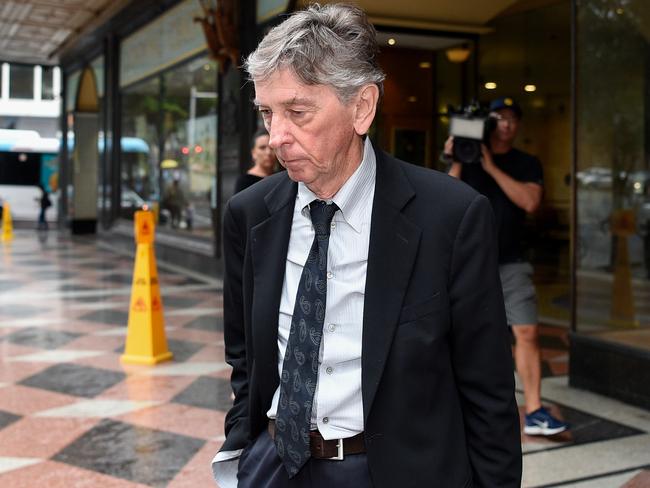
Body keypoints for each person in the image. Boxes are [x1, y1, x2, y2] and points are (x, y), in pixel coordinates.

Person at [213, 5, 521, 488]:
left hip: (391, 472)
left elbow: (488, 390)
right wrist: (246, 446)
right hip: (273, 465)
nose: (276, 137)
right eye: (268, 114)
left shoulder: (451, 217)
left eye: (297, 112)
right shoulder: (250, 215)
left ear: (362, 107)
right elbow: (244, 360)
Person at [446, 96, 569, 437]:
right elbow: (444, 202)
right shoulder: (465, 158)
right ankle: (458, 407)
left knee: (527, 330)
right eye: (499, 118)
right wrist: (457, 159)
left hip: (512, 260)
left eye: (513, 119)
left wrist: (492, 168)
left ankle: (534, 410)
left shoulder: (526, 163)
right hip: (467, 263)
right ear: (489, 123)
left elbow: (530, 202)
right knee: (461, 335)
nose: (506, 124)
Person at [234, 129, 276, 193]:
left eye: (272, 147)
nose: (268, 152)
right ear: (253, 153)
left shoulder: (283, 177)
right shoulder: (244, 182)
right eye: (262, 148)